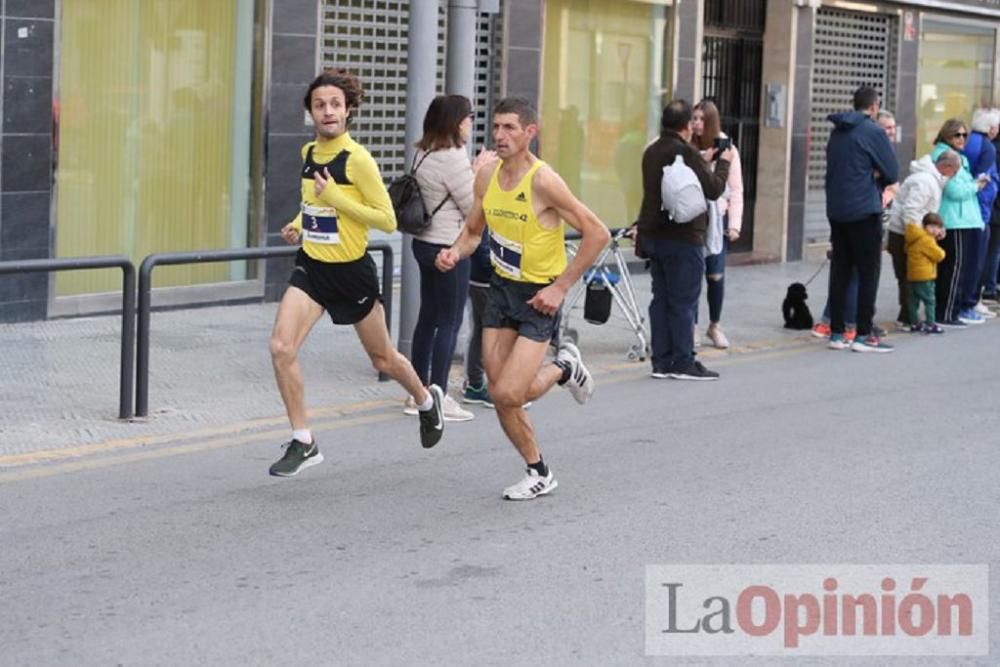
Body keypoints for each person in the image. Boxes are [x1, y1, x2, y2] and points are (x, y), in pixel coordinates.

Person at [268, 69, 445, 477]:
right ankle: (303, 440)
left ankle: (424, 399)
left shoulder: (358, 160)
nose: (327, 111)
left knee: (383, 359)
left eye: (335, 104)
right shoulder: (307, 155)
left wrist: (335, 197)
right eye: (319, 105)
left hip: (352, 273)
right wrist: (299, 221)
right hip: (312, 268)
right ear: (310, 113)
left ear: (348, 110)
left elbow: (385, 220)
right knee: (281, 347)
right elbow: (313, 204)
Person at [436, 97, 610, 500]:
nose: (499, 135)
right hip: (501, 288)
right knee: (499, 392)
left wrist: (561, 287)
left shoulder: (543, 181)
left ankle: (564, 367)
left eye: (510, 128)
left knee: (510, 393)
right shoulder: (486, 177)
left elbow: (596, 232)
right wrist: (454, 251)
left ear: (530, 132)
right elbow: (473, 231)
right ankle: (538, 471)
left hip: (539, 296)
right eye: (496, 127)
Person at [402, 95, 496, 422]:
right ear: (457, 122)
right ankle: (439, 395)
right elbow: (474, 207)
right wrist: (481, 171)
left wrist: (471, 170)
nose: (472, 123)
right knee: (450, 322)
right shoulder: (453, 156)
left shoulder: (424, 151)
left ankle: (417, 393)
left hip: (423, 244)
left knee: (428, 317)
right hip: (449, 248)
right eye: (469, 117)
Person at [637, 99, 733, 379]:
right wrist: (723, 164)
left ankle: (662, 361)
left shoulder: (652, 151)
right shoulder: (685, 152)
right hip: (683, 237)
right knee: (683, 301)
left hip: (654, 236)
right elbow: (714, 189)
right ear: (687, 125)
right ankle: (683, 362)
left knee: (661, 298)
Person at [824, 86, 898, 352]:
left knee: (841, 270)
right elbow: (892, 171)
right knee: (869, 271)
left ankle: (836, 333)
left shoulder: (837, 132)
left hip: (837, 210)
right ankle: (864, 334)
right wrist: (874, 174)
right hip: (864, 210)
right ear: (875, 107)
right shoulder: (873, 132)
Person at [884, 150, 960, 328]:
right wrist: (921, 236)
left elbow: (927, 212)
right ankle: (907, 317)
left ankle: (909, 316)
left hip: (913, 234)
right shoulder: (926, 181)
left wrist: (936, 229)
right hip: (905, 235)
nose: (954, 176)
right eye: (955, 171)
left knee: (911, 276)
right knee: (908, 277)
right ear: (946, 167)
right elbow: (912, 210)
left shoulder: (932, 180)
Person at [690, 99, 743, 349]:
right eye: (694, 118)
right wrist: (703, 157)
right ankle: (693, 326)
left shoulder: (727, 148)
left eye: (702, 119)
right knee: (692, 275)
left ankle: (715, 325)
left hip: (716, 219)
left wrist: (734, 224)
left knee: (715, 275)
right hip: (691, 217)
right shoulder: (686, 145)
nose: (697, 124)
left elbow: (736, 189)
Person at [931, 119, 987, 327]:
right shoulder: (945, 156)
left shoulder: (958, 156)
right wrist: (976, 185)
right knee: (954, 268)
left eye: (965, 135)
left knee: (959, 268)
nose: (962, 139)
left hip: (964, 219)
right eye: (957, 135)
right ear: (947, 135)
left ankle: (952, 310)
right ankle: (947, 313)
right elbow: (954, 190)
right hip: (955, 220)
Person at [964, 108, 1000, 319]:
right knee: (981, 254)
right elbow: (984, 180)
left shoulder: (971, 141)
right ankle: (974, 299)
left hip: (976, 207)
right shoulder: (987, 148)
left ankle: (973, 297)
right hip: (982, 208)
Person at [905, 212, 947, 334]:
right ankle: (931, 323)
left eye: (937, 228)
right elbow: (939, 255)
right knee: (930, 300)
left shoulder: (913, 237)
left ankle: (914, 323)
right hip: (925, 275)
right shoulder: (927, 240)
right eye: (932, 227)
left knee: (913, 300)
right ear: (924, 226)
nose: (935, 230)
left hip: (912, 274)